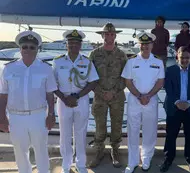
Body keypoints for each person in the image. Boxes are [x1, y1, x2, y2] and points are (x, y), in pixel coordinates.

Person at [0, 31, 57, 173]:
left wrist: (51, 114)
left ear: (37, 49)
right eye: (24, 47)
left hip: (38, 115)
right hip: (15, 116)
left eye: (32, 47)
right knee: (19, 150)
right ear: (20, 48)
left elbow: (50, 95)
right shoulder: (8, 68)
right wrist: (2, 117)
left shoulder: (45, 68)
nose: (28, 50)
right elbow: (3, 95)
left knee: (41, 149)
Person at [53, 29, 99, 173]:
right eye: (70, 43)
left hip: (81, 101)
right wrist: (64, 98)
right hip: (63, 101)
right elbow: (52, 84)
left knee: (81, 134)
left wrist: (77, 97)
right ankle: (66, 165)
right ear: (66, 45)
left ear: (80, 45)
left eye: (76, 43)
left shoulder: (87, 61)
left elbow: (93, 82)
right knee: (64, 135)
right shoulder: (57, 61)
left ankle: (80, 164)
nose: (73, 46)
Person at [121, 32, 165, 173]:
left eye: (148, 44)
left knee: (150, 131)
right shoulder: (131, 61)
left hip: (151, 101)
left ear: (152, 45)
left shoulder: (158, 62)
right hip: (135, 100)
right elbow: (127, 81)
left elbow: (160, 82)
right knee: (132, 131)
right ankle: (132, 162)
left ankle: (146, 158)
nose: (145, 46)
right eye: (143, 44)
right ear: (139, 45)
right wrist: (140, 96)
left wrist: (149, 95)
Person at [88, 23, 128, 168]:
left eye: (112, 34)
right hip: (99, 97)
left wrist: (114, 92)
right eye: (106, 34)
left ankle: (115, 152)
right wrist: (101, 92)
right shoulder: (94, 54)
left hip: (117, 97)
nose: (109, 36)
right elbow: (89, 77)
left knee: (117, 125)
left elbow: (126, 77)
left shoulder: (122, 55)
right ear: (102, 35)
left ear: (115, 36)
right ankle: (98, 152)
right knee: (100, 126)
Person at [160, 46, 190, 173]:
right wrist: (177, 102)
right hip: (174, 108)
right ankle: (168, 159)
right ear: (177, 57)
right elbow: (168, 88)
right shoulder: (170, 70)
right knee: (171, 135)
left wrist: (189, 102)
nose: (184, 60)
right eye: (182, 57)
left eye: (187, 58)